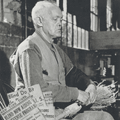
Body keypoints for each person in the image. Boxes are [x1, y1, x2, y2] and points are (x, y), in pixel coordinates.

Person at [10, 1, 114, 120]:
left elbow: (73, 73)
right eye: (55, 19)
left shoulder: (56, 49)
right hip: (38, 114)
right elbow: (37, 92)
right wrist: (76, 94)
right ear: (39, 21)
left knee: (105, 117)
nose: (60, 24)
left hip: (60, 110)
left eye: (61, 19)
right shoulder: (29, 49)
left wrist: (89, 84)